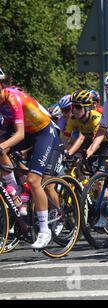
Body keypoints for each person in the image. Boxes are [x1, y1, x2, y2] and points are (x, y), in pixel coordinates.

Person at [0, 87, 61, 249]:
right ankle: (14, 189)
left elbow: (18, 134)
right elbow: (5, 128)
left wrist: (2, 145)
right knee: (2, 151)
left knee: (34, 181)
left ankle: (44, 230)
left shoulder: (13, 98)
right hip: (27, 133)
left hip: (44, 133)